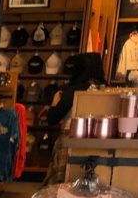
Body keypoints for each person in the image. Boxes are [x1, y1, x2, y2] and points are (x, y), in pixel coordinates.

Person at [43, 53, 106, 185]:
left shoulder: (73, 91)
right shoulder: (105, 90)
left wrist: (54, 103)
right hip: (98, 143)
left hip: (71, 139)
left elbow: (53, 118)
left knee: (64, 184)